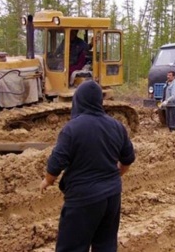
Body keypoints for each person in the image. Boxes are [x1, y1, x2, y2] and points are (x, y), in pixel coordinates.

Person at [40, 80, 136, 252]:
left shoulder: (72, 128)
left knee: (72, 247)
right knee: (105, 245)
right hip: (112, 196)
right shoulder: (117, 126)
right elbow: (128, 159)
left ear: (78, 100)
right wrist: (116, 175)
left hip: (83, 199)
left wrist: (47, 180)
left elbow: (57, 161)